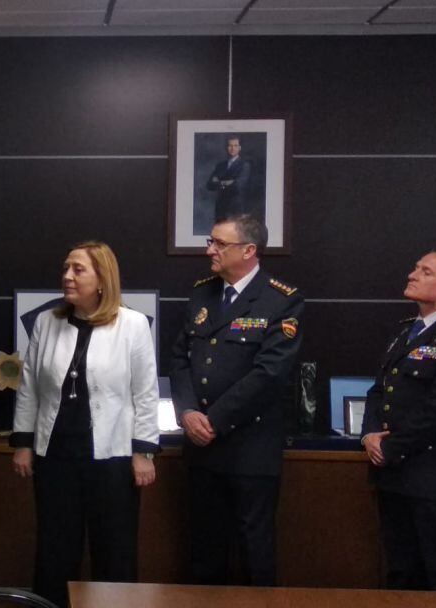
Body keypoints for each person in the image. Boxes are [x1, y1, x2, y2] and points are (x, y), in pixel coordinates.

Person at [10, 241, 159, 608]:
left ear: (103, 279)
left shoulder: (133, 325)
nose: (67, 277)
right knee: (55, 550)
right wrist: (24, 443)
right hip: (56, 456)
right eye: (66, 268)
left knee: (115, 549)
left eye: (78, 270)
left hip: (112, 458)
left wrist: (144, 452)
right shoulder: (47, 322)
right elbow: (30, 387)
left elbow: (145, 391)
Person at [170, 214, 303, 586]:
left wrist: (214, 420)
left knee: (253, 552)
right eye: (210, 242)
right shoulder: (202, 292)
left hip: (250, 450)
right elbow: (180, 358)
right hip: (201, 448)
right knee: (203, 552)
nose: (209, 250)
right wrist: (188, 412)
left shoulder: (281, 300)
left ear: (248, 250)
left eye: (219, 244)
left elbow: (269, 374)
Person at [361, 248, 436, 591]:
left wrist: (392, 447)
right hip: (394, 473)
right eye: (415, 267)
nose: (412, 275)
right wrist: (370, 433)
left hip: (434, 475)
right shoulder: (406, 332)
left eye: (426, 272)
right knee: (401, 572)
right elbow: (378, 391)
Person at [206, 135, 251, 221]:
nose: (232, 148)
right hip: (220, 208)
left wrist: (219, 182)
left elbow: (237, 186)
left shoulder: (244, 165)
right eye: (230, 145)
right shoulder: (220, 165)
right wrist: (227, 182)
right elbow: (209, 185)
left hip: (234, 208)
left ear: (240, 148)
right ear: (227, 148)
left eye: (235, 145)